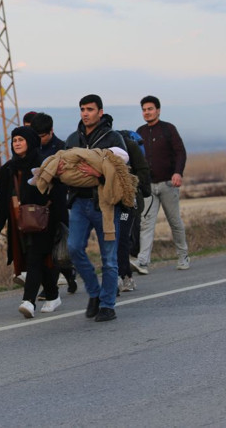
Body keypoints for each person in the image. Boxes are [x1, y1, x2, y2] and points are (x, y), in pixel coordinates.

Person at [58, 94, 126, 322]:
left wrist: (99, 173)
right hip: (78, 202)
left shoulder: (113, 137)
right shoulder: (72, 139)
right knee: (74, 248)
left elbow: (123, 171)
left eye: (89, 109)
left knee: (109, 258)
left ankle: (108, 305)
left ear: (100, 111)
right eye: (82, 109)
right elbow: (65, 168)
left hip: (105, 204)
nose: (85, 113)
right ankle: (94, 292)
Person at [0, 126, 68, 318]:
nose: (16, 143)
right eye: (14, 140)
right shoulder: (8, 169)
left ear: (31, 142)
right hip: (20, 223)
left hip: (44, 220)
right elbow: (2, 199)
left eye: (21, 139)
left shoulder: (44, 165)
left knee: (35, 256)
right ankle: (52, 295)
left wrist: (62, 222)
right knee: (35, 259)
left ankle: (28, 301)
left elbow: (58, 193)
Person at [133, 95, 190, 274]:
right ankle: (143, 261)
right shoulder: (139, 132)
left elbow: (181, 152)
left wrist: (178, 172)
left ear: (158, 110)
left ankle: (183, 256)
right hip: (148, 187)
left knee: (174, 222)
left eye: (150, 109)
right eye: (144, 109)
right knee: (146, 223)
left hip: (168, 184)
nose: (147, 112)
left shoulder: (168, 129)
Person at [30, 112, 77, 294]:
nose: (39, 140)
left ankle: (59, 279)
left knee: (58, 246)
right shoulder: (32, 148)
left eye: (42, 136)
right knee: (42, 248)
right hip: (37, 207)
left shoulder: (62, 148)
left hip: (57, 204)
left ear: (51, 131)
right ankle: (56, 280)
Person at [116, 132, 151, 292]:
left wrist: (135, 191)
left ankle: (124, 276)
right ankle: (120, 274)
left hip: (128, 200)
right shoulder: (95, 146)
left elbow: (143, 171)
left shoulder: (128, 146)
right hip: (106, 200)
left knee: (122, 237)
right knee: (113, 239)